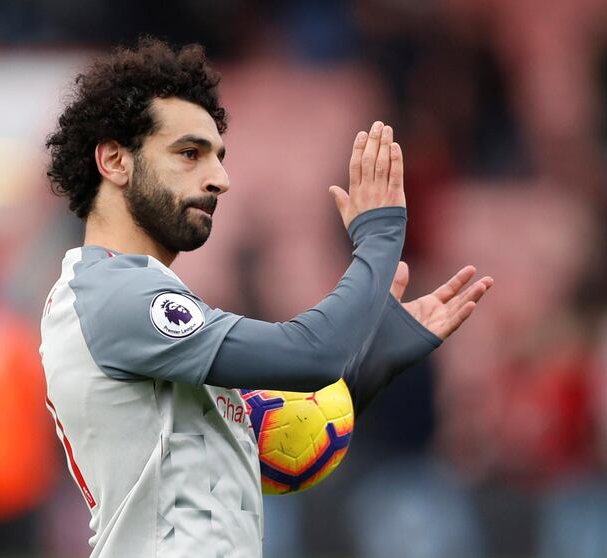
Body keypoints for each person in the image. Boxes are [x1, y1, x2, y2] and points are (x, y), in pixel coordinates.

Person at [40, 38, 493, 557]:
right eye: (189, 153)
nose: (219, 179)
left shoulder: (137, 298)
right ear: (115, 161)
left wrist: (376, 355)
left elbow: (276, 440)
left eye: (217, 157)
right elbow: (309, 354)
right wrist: (378, 239)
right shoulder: (115, 295)